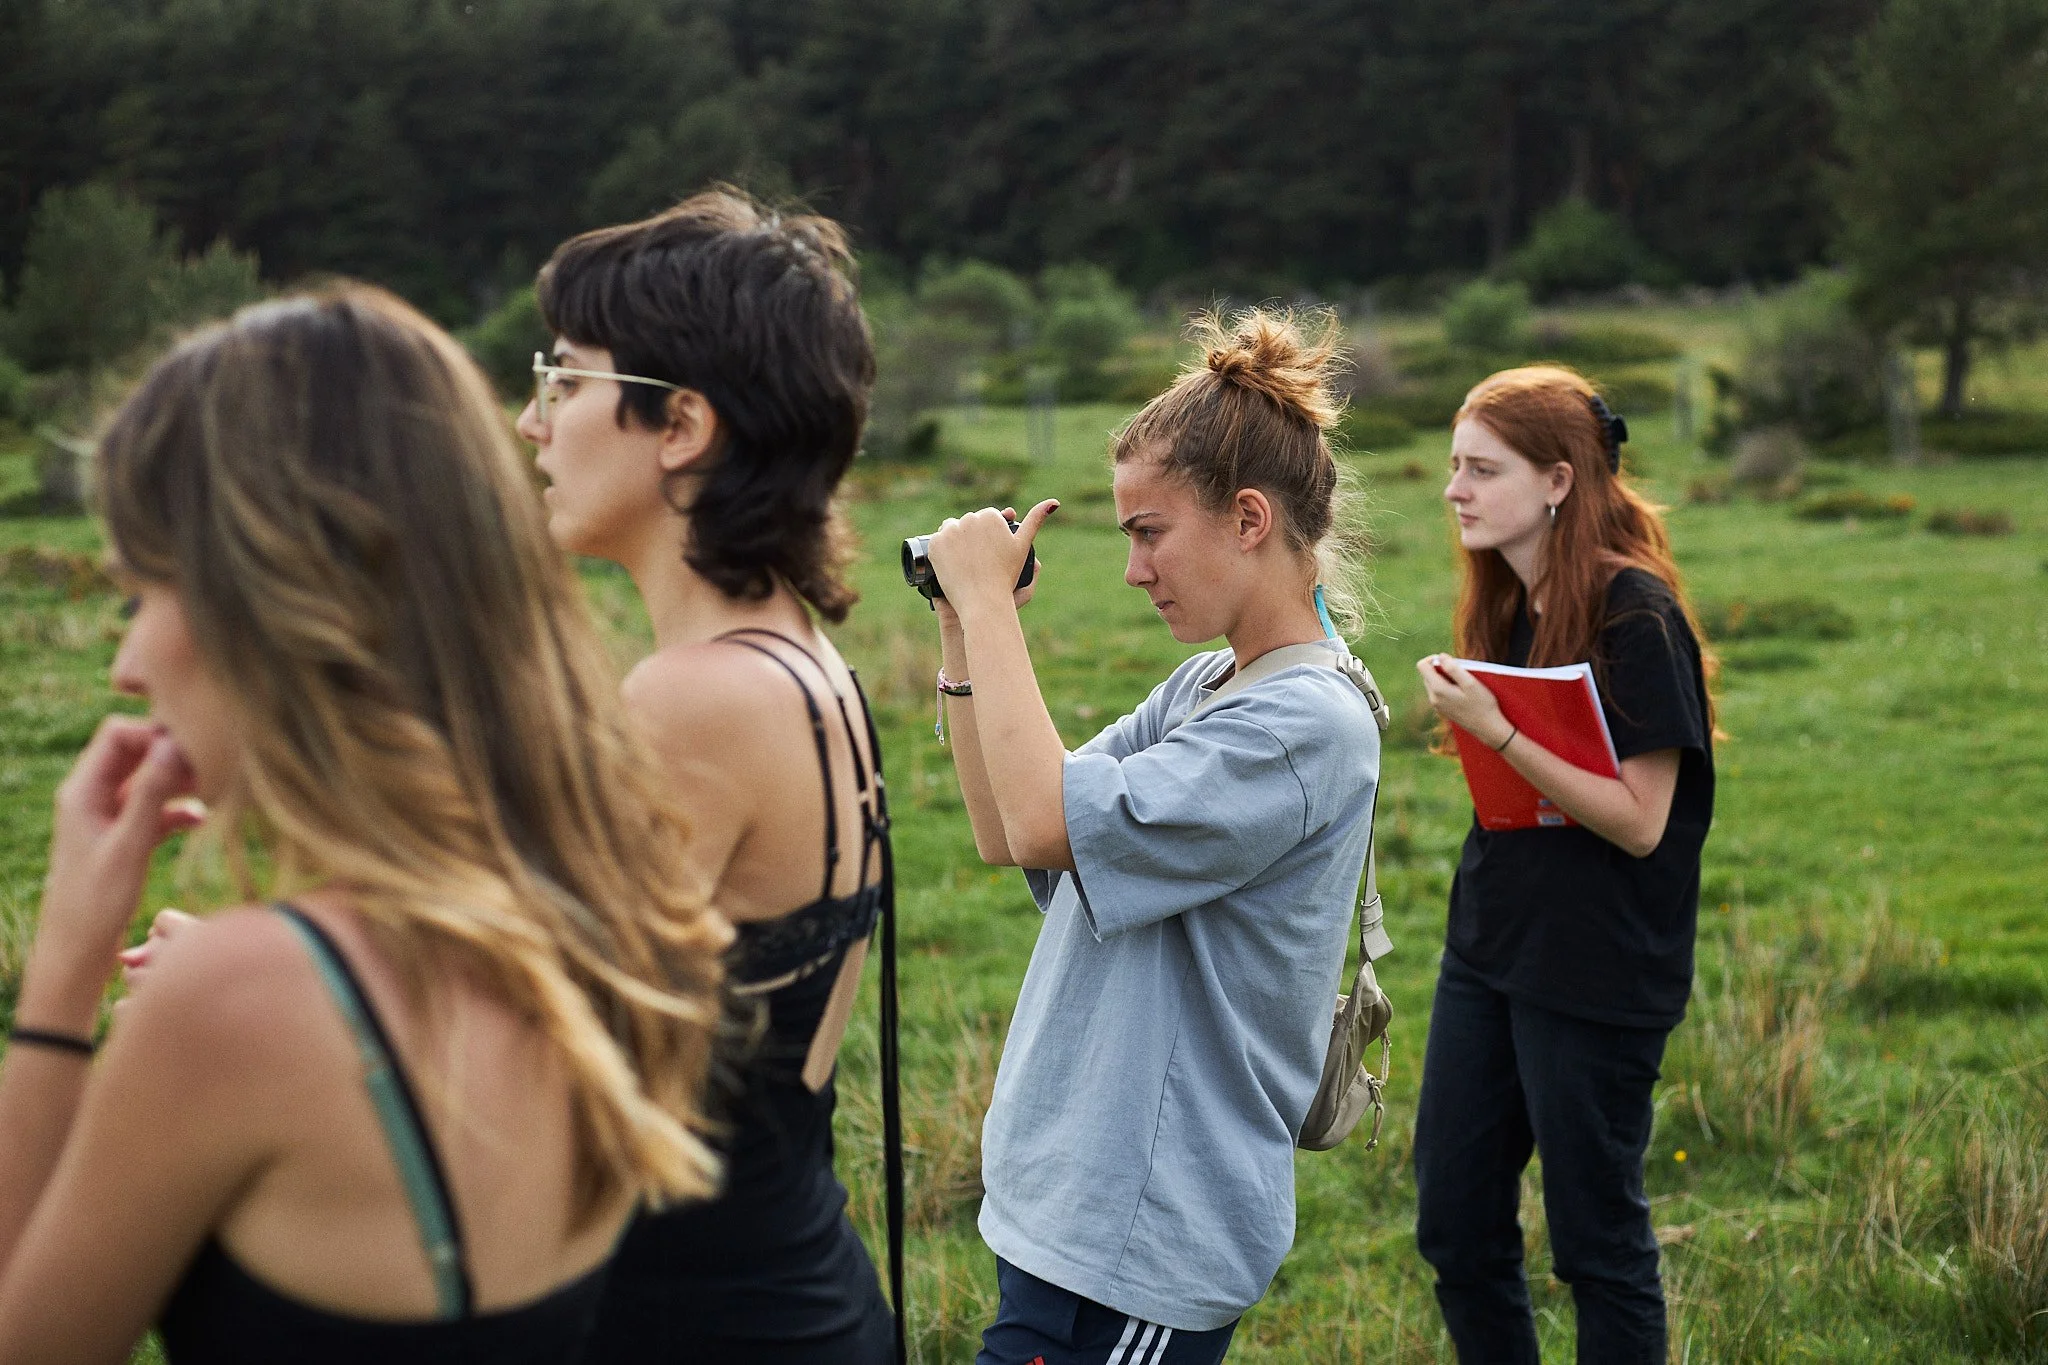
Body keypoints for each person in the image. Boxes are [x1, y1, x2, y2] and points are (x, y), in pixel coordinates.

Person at [0, 286, 733, 1363]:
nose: (126, 661)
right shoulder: (605, 904)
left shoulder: (241, 1001)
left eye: (146, 589)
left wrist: (63, 971)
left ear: (275, 600)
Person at [926, 309, 1381, 1365]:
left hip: (1141, 1233)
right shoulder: (1210, 684)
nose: (1132, 568)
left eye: (1147, 531)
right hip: (1075, 1206)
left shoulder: (1301, 726)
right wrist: (963, 631)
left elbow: (1044, 813)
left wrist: (996, 610)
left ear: (1249, 520)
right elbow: (1012, 832)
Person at [514, 190, 899, 1363]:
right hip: (799, 1288)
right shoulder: (803, 669)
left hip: (702, 1325)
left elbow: (538, 1080)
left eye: (564, 379)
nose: (533, 423)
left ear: (679, 425)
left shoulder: (689, 702)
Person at [1410, 366, 1717, 1364]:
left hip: (1595, 972)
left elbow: (1638, 822)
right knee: (1455, 1227)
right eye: (1453, 466)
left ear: (1554, 480)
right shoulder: (1508, 603)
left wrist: (1494, 732)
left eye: (1479, 469)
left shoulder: (1635, 613)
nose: (1453, 488)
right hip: (1489, 951)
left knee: (1595, 1247)